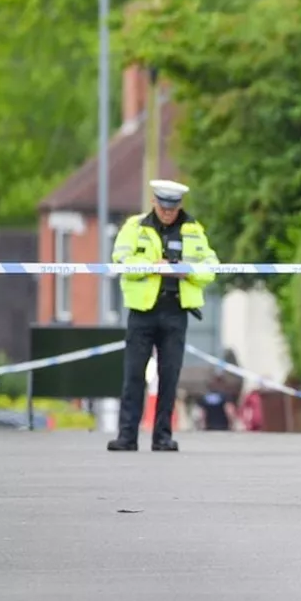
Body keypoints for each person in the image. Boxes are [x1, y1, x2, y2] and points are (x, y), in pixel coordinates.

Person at [107, 179, 219, 452]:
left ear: (180, 205)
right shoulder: (135, 227)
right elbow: (120, 260)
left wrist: (187, 271)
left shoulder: (193, 230)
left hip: (176, 310)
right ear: (154, 202)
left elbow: (212, 267)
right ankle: (127, 436)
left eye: (173, 207)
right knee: (133, 375)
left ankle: (163, 437)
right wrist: (151, 266)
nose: (168, 212)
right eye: (164, 206)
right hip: (143, 312)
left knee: (170, 376)